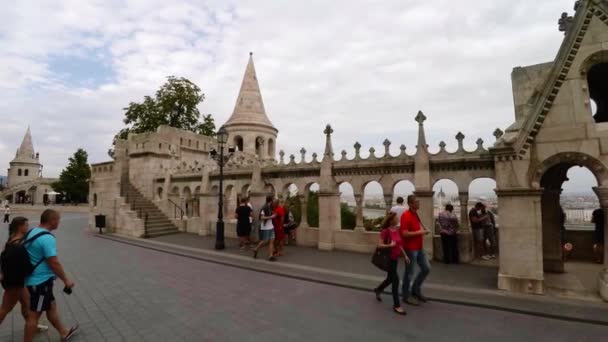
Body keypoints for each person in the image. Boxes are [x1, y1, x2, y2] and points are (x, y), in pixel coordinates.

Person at [24, 209, 78, 342]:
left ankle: (63, 332)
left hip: (36, 280)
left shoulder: (32, 232)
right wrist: (66, 280)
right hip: (39, 283)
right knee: (34, 316)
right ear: (52, 221)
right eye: (58, 220)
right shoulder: (47, 238)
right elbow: (53, 262)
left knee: (51, 307)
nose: (59, 222)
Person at [0, 217, 48, 332]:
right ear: (20, 227)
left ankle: (32, 325)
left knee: (27, 304)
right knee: (6, 308)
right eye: (26, 225)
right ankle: (32, 325)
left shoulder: (12, 240)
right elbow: (25, 265)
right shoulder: (18, 245)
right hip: (15, 282)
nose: (28, 228)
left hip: (18, 281)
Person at [373, 212, 409, 315]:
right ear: (391, 220)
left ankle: (378, 289)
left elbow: (399, 245)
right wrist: (389, 245)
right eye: (396, 217)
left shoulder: (396, 230)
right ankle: (397, 305)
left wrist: (405, 255)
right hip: (389, 259)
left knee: (390, 278)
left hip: (395, 258)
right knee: (395, 280)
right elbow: (379, 245)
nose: (398, 219)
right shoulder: (385, 231)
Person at [400, 195, 431, 306]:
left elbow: (415, 229)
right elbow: (404, 233)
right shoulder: (406, 215)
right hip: (410, 249)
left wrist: (422, 230)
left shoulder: (415, 214)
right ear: (411, 204)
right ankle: (406, 295)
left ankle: (415, 290)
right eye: (417, 202)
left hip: (419, 247)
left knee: (426, 268)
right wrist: (421, 232)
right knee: (409, 273)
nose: (419, 203)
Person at [253, 196, 276, 261]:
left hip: (271, 226)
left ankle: (270, 256)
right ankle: (256, 249)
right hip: (265, 227)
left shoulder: (270, 207)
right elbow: (262, 218)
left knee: (272, 240)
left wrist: (273, 215)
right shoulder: (264, 207)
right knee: (265, 241)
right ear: (271, 201)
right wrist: (271, 216)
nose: (273, 202)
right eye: (273, 200)